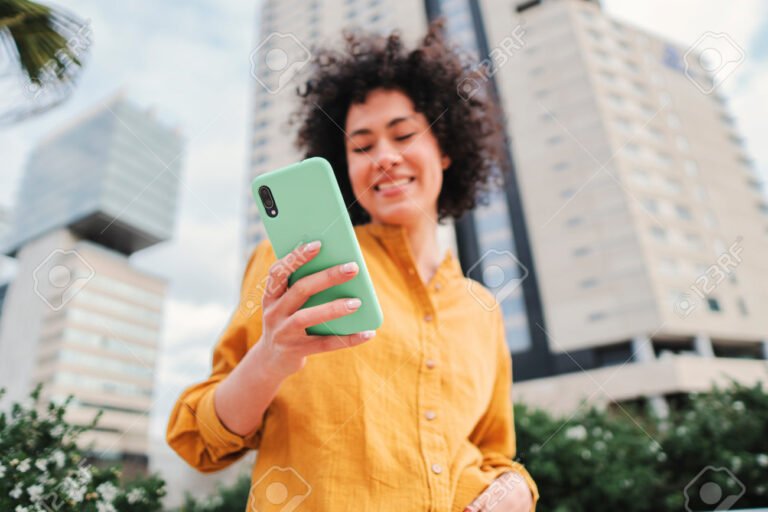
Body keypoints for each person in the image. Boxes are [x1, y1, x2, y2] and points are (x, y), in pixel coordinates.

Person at [167, 21, 539, 512]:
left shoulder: (483, 309)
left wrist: (516, 488)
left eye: (403, 134)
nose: (383, 157)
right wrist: (270, 359)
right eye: (361, 146)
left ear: (446, 149)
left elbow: (495, 453)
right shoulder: (294, 263)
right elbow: (200, 440)